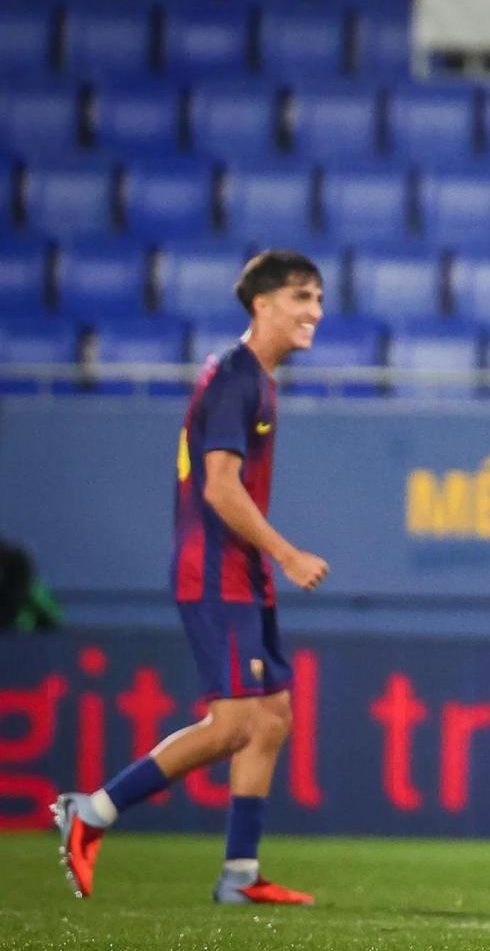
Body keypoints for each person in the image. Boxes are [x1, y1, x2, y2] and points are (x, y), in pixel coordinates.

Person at [54, 250, 329, 905]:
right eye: (301, 298)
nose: (314, 312)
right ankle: (91, 812)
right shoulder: (237, 377)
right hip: (215, 570)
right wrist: (287, 553)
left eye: (318, 299)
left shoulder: (255, 377)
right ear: (262, 304)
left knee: (271, 720)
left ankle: (239, 876)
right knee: (235, 724)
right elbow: (220, 487)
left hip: (241, 571)